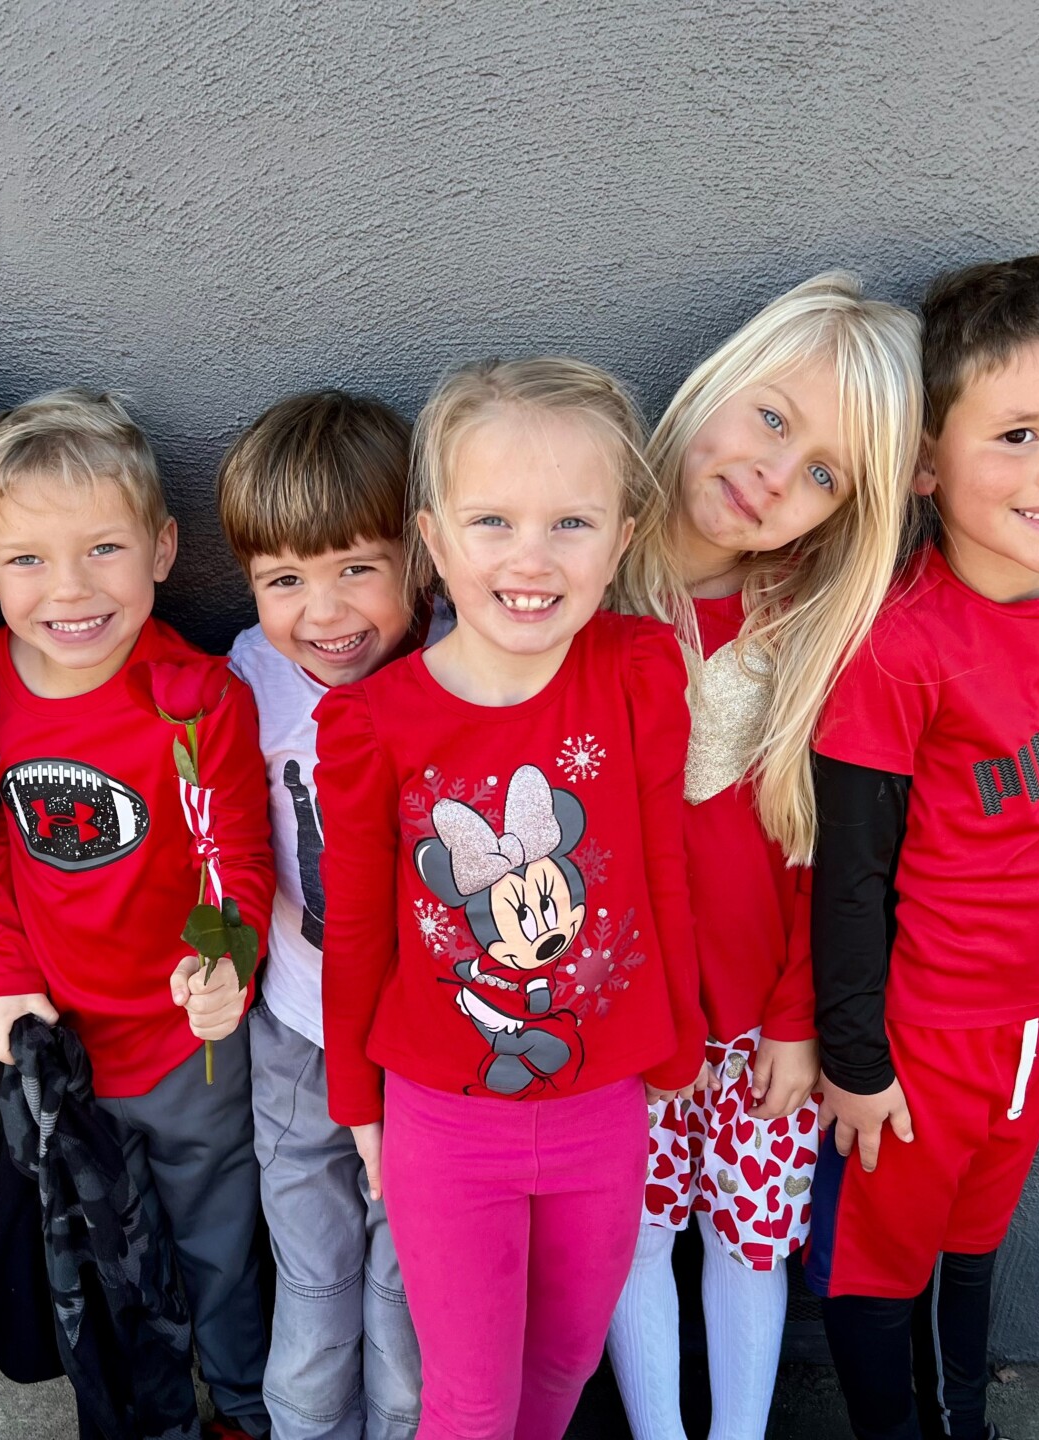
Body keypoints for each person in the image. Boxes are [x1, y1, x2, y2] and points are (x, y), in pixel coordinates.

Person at [315, 357, 704, 1440]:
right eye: (492, 521)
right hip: (444, 1122)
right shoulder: (374, 725)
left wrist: (677, 1049)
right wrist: (358, 1104)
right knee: (472, 1398)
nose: (531, 558)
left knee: (568, 1362)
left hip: (603, 1107)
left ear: (621, 541)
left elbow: (662, 865)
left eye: (571, 523)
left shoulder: (636, 672)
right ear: (434, 542)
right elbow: (358, 927)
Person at [805, 254, 1039, 1440]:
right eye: (1018, 434)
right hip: (920, 1036)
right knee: (882, 1261)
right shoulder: (899, 646)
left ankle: (964, 1419)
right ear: (925, 462)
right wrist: (858, 1058)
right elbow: (850, 870)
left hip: (1034, 1017)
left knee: (974, 1238)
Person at [605, 273, 922, 1440]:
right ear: (718, 382)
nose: (777, 475)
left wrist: (796, 1016)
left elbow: (825, 856)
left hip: (763, 1028)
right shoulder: (585, 592)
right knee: (632, 1235)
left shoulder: (811, 631)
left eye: (826, 475)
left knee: (749, 1241)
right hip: (623, 1016)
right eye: (774, 418)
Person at [0, 388, 275, 1440]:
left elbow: (235, 857)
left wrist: (229, 961)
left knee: (216, 1245)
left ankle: (241, 1407)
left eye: (104, 547)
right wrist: (5, 974)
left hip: (189, 1045)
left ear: (162, 548)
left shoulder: (195, 697)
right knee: (99, 1256)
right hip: (62, 1046)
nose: (71, 588)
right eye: (29, 559)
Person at [216, 390, 426, 1439]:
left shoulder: (453, 670)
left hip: (425, 1044)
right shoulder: (248, 681)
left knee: (406, 1292)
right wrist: (218, 954)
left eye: (358, 568)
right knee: (313, 1276)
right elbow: (219, 844)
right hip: (299, 1025)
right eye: (285, 580)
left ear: (419, 556)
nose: (326, 612)